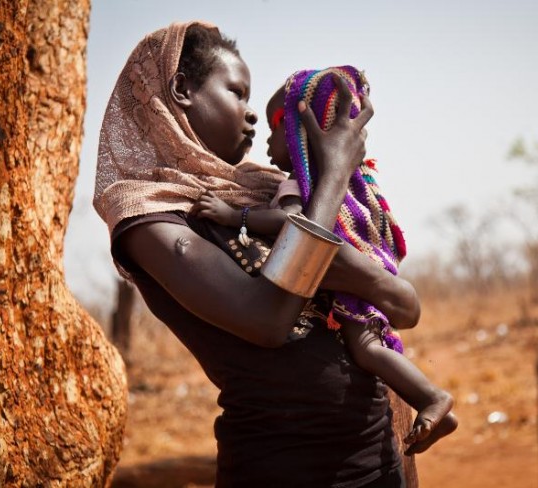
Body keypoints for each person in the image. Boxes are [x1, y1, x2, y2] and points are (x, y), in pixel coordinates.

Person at [93, 21, 455, 487]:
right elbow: (267, 321)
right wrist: (333, 176)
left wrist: (363, 271)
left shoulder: (266, 192)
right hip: (284, 463)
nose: (251, 116)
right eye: (237, 93)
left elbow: (404, 308)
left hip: (381, 453)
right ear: (182, 90)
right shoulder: (148, 216)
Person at [192, 67, 457, 451]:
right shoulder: (350, 186)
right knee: (370, 346)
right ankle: (433, 404)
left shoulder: (305, 184)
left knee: (367, 348)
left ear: (304, 128)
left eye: (277, 124)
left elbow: (292, 222)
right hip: (372, 279)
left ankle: (432, 398)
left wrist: (235, 216)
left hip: (346, 287)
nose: (267, 136)